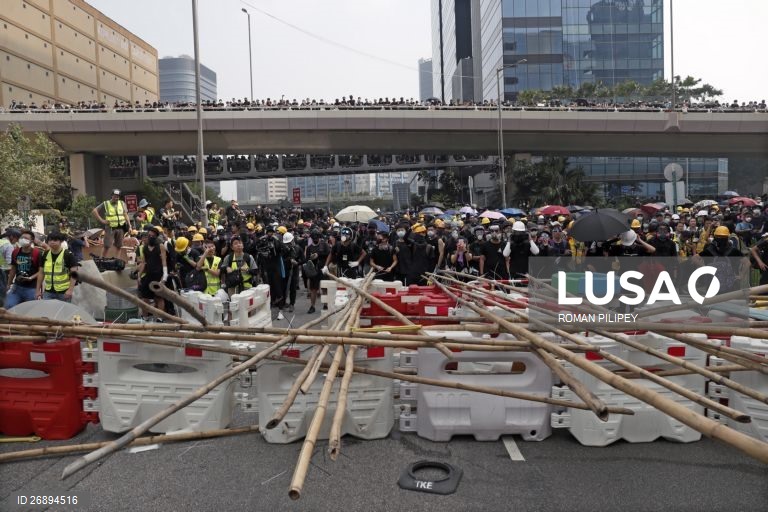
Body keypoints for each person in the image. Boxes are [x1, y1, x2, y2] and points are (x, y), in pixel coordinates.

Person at [36, 231, 79, 302]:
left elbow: (74, 274)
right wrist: (37, 290)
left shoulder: (68, 255)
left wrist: (70, 290)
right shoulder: (44, 254)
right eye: (50, 240)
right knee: (47, 312)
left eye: (55, 240)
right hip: (48, 292)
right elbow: (41, 273)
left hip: (64, 292)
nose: (52, 242)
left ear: (61, 241)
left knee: (64, 312)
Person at [5, 230, 44, 309]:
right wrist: (8, 284)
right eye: (22, 237)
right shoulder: (15, 252)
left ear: (31, 241)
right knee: (9, 306)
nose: (23, 239)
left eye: (26, 238)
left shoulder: (37, 253)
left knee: (30, 310)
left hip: (31, 288)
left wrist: (31, 278)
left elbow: (41, 271)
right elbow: (13, 269)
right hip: (17, 287)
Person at [136, 226, 168, 318]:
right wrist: (139, 275)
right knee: (144, 298)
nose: (150, 237)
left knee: (159, 298)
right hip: (148, 275)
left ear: (156, 237)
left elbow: (164, 262)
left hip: (158, 275)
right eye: (149, 235)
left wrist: (164, 277)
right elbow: (143, 263)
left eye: (153, 236)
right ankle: (145, 317)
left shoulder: (160, 246)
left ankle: (159, 318)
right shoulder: (145, 248)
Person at [92, 189, 132, 258]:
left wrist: (129, 225)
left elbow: (125, 214)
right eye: (115, 196)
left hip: (121, 227)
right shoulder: (106, 203)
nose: (116, 198)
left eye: (118, 196)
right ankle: (102, 260)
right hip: (110, 228)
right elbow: (94, 211)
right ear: (112, 196)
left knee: (119, 246)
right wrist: (102, 220)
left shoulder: (122, 203)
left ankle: (117, 261)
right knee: (107, 246)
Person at [305, 229, 330, 313]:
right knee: (313, 289)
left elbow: (329, 254)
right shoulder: (309, 248)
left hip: (323, 269)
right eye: (314, 238)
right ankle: (312, 306)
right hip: (314, 270)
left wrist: (318, 255)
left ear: (319, 237)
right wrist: (311, 258)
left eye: (317, 237)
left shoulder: (324, 245)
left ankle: (326, 305)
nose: (315, 239)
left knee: (324, 288)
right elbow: (307, 259)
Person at [278, 232, 304, 314]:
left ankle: (292, 304)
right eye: (287, 243)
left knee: (293, 287)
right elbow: (280, 260)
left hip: (294, 270)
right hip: (285, 270)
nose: (288, 245)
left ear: (293, 240)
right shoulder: (283, 249)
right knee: (283, 287)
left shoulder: (298, 248)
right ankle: (283, 302)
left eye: (289, 243)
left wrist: (297, 263)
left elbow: (303, 259)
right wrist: (288, 260)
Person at [0, 228, 20, 306]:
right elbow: (9, 263)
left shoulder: (1, 242)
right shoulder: (8, 245)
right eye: (17, 238)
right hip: (3, 272)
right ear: (11, 236)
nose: (17, 241)